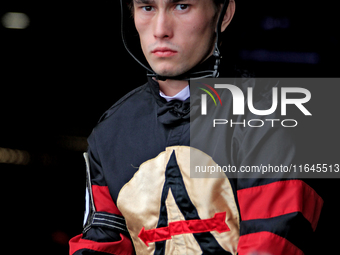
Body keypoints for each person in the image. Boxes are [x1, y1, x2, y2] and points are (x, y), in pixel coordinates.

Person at [69, 0, 323, 254]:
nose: (160, 29)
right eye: (147, 7)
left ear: (224, 15)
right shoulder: (109, 133)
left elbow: (273, 242)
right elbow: (100, 243)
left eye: (181, 6)